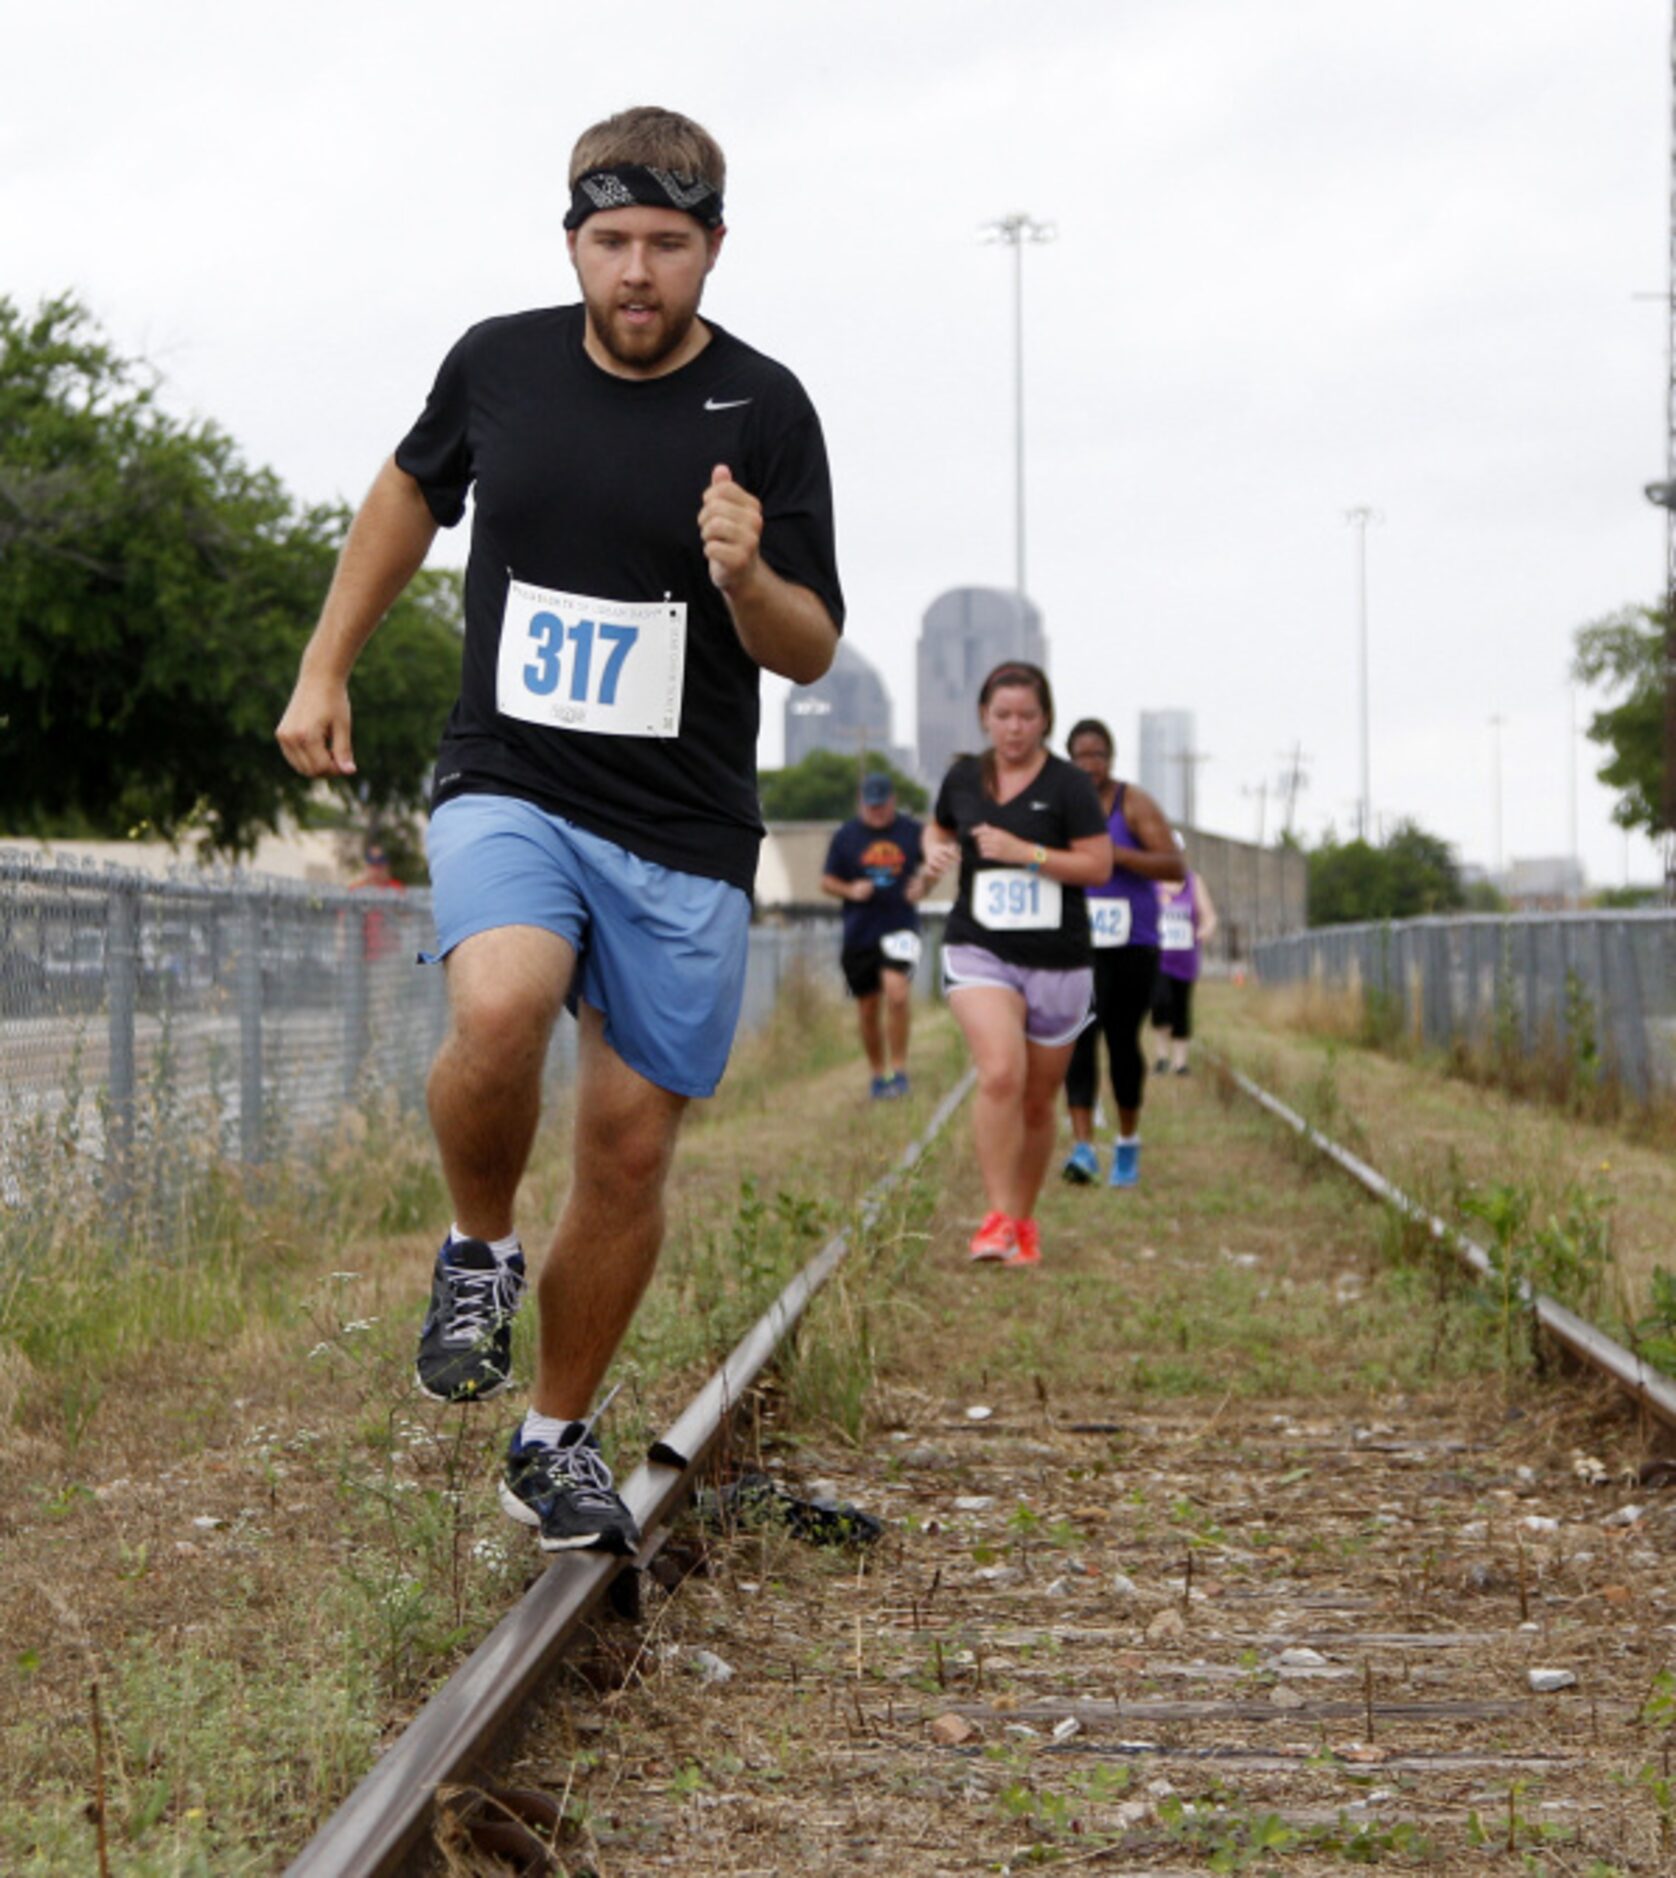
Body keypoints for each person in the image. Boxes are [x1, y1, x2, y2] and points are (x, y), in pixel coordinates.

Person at [276, 106, 843, 1556]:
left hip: (684, 824)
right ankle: (478, 1246)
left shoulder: (767, 409)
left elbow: (809, 650)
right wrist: (324, 661)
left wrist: (746, 573)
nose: (637, 272)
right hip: (511, 780)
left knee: (630, 1151)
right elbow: (410, 490)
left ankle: (554, 1435)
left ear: (714, 246)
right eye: (611, 243)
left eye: (667, 243)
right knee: (504, 996)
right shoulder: (500, 363)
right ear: (573, 242)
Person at [920, 664, 1111, 1268]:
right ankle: (997, 1218)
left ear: (1045, 719)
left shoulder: (1070, 786)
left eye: (1026, 716)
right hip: (980, 947)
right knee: (1000, 1072)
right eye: (1002, 715)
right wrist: (934, 850)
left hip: (1058, 960)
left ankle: (1023, 1221)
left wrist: (1027, 854)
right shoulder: (963, 777)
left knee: (1037, 1099)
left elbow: (1097, 866)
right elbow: (939, 824)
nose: (1014, 727)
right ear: (984, 716)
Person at [1058, 719, 1185, 1190]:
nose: (1091, 764)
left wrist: (1115, 855)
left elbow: (1173, 864)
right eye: (1082, 756)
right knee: (1075, 1041)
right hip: (1076, 942)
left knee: (1121, 1045)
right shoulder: (1062, 805)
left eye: (1099, 755)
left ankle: (1127, 1144)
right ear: (1069, 759)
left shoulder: (1133, 803)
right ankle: (1084, 1148)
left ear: (1111, 757)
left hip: (1130, 943)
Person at [820, 773, 926, 1098]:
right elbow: (826, 881)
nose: (877, 811)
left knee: (897, 994)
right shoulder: (846, 836)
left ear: (892, 800)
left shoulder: (912, 831)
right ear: (861, 802)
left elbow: (935, 863)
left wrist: (925, 883)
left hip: (900, 925)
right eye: (871, 805)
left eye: (882, 805)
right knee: (868, 1006)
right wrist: (850, 889)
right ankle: (878, 1074)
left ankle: (900, 1070)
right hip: (860, 930)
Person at [1152, 867, 1218, 1074]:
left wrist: (1205, 930)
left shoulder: (1193, 881)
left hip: (1185, 959)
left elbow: (1209, 917)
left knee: (1181, 1007)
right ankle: (1162, 1057)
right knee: (1160, 1003)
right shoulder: (1152, 881)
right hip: (1158, 959)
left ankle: (1180, 1063)